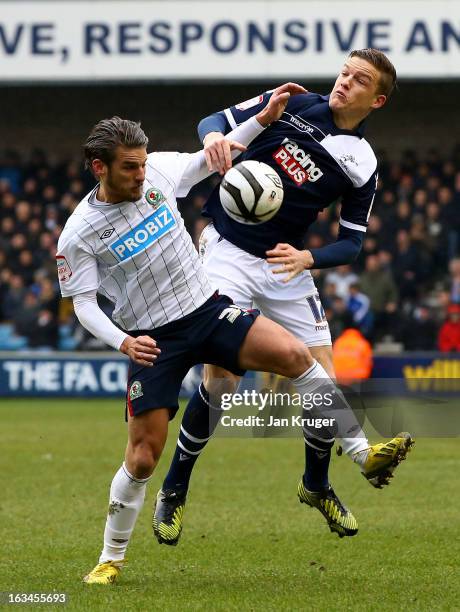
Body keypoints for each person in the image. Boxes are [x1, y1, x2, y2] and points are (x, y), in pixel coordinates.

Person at [56, 87, 387, 585]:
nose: (142, 175)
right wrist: (123, 341)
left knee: (298, 356)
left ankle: (361, 453)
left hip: (208, 311)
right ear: (98, 167)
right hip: (154, 339)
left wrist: (263, 119)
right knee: (143, 457)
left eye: (144, 164)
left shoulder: (160, 173)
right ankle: (111, 557)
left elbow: (218, 154)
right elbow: (82, 304)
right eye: (129, 167)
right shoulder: (77, 235)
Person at [156, 49, 413, 545]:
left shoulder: (362, 163)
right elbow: (215, 119)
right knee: (223, 381)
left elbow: (353, 241)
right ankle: (174, 488)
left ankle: (316, 484)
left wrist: (307, 260)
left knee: (323, 377)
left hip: (286, 267)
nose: (345, 82)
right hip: (227, 252)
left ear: (377, 100)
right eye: (344, 72)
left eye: (360, 80)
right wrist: (213, 137)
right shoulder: (291, 101)